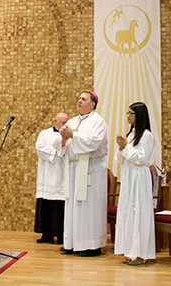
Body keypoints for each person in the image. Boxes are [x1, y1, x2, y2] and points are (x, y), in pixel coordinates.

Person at [54, 91, 108, 256]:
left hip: (90, 169)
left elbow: (95, 142)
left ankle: (92, 245)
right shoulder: (73, 121)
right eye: (78, 98)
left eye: (83, 99)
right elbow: (61, 143)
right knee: (73, 207)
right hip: (74, 169)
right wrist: (63, 139)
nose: (79, 101)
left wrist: (73, 136)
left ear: (92, 104)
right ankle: (72, 243)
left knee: (88, 208)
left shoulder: (98, 122)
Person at [115, 102, 156, 265]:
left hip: (139, 178)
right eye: (127, 112)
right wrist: (121, 147)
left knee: (138, 212)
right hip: (128, 177)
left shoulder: (147, 135)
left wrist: (125, 148)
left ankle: (141, 254)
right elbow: (120, 159)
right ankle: (131, 251)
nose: (128, 116)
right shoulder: (130, 134)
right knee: (128, 213)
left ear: (140, 115)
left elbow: (142, 159)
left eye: (131, 113)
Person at [34, 112, 69, 244]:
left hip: (61, 175)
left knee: (60, 206)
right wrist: (56, 152)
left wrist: (61, 149)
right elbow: (40, 148)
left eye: (66, 122)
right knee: (46, 204)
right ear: (55, 121)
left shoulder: (68, 135)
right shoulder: (44, 133)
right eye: (62, 122)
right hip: (47, 174)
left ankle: (61, 235)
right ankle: (46, 235)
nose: (64, 125)